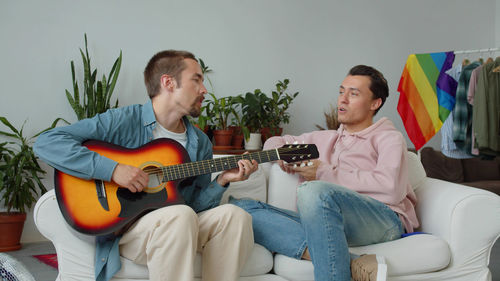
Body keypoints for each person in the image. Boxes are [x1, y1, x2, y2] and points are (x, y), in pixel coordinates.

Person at [34, 50, 258, 281]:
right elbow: (47, 142)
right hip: (130, 230)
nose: (204, 90)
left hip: (178, 226)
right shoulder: (123, 120)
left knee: (234, 216)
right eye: (196, 80)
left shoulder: (199, 142)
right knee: (178, 216)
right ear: (168, 82)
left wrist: (222, 180)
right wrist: (113, 170)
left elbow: (194, 207)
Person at [231, 65, 419, 281]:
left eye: (354, 94)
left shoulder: (389, 138)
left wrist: (322, 173)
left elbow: (391, 188)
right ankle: (354, 261)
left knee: (312, 190)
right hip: (327, 221)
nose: (343, 99)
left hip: (383, 219)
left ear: (375, 103)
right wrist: (282, 153)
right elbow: (276, 142)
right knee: (241, 210)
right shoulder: (325, 139)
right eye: (341, 91)